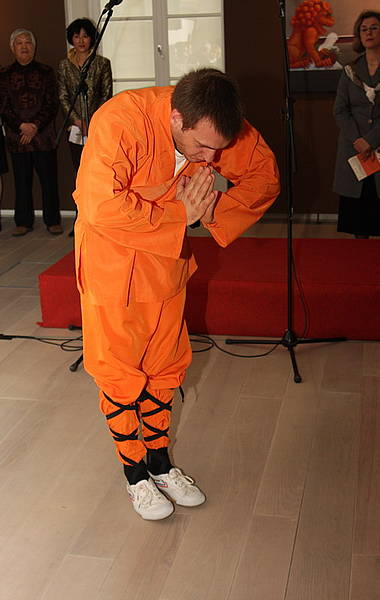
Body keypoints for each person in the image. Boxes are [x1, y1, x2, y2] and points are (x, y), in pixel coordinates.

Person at [74, 68, 280, 520]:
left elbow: (264, 177)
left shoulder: (211, 120)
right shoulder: (119, 121)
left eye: (218, 150)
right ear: (176, 118)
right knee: (119, 373)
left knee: (166, 366)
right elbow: (99, 205)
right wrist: (179, 216)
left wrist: (210, 211)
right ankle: (134, 474)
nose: (211, 158)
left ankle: (160, 463)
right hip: (113, 264)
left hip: (165, 262)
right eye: (202, 147)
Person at [333, 10, 380, 238]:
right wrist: (358, 140)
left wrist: (371, 140)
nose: (368, 33)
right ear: (359, 36)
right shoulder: (350, 70)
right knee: (359, 222)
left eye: (373, 28)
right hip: (354, 149)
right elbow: (340, 110)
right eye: (363, 29)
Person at [0, 29, 62, 237]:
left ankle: (52, 220)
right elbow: (3, 107)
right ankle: (23, 222)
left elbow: (52, 104)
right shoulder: (4, 74)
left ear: (34, 47)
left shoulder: (46, 72)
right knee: (21, 182)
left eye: (28, 42)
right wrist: (21, 126)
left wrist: (34, 126)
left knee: (49, 181)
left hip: (43, 136)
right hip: (18, 137)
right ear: (12, 48)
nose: (24, 46)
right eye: (19, 43)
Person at [57, 18, 112, 237]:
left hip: (97, 127)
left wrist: (93, 121)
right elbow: (63, 96)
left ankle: (100, 218)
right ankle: (81, 218)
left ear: (92, 39)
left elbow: (106, 95)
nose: (81, 41)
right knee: (79, 174)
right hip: (74, 128)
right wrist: (77, 120)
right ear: (71, 38)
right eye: (76, 36)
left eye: (85, 36)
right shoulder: (64, 65)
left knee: (98, 174)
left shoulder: (102, 63)